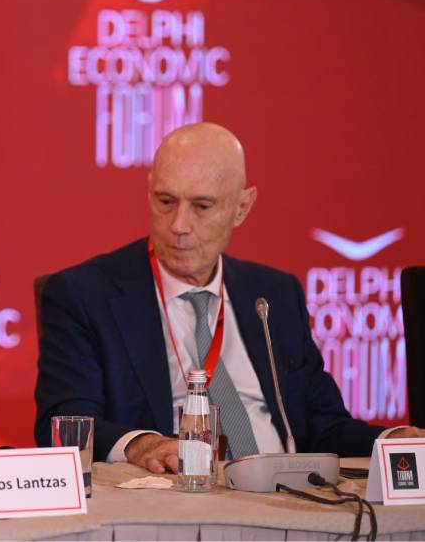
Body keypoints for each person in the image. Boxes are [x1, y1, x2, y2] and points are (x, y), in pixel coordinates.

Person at [34, 122, 422, 473]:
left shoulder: (275, 294)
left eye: (202, 206)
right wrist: (141, 444)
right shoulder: (85, 295)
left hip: (287, 496)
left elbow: (325, 425)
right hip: (173, 499)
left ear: (242, 207)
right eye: (165, 202)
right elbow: (67, 421)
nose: (179, 225)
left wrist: (393, 440)